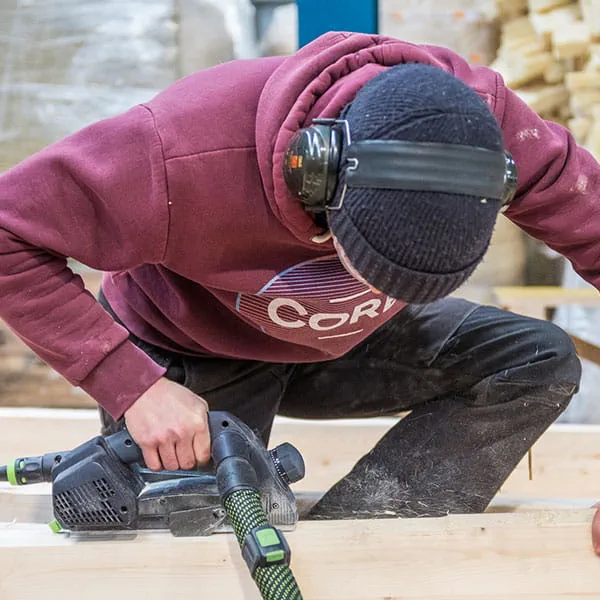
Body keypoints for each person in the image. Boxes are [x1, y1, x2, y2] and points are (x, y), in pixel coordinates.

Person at [0, 31, 597, 543]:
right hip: (191, 349)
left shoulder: (486, 127)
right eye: (362, 257)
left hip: (349, 336)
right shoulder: (176, 153)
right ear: (317, 174)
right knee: (195, 543)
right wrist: (133, 387)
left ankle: (369, 542)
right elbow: (9, 231)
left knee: (535, 362)